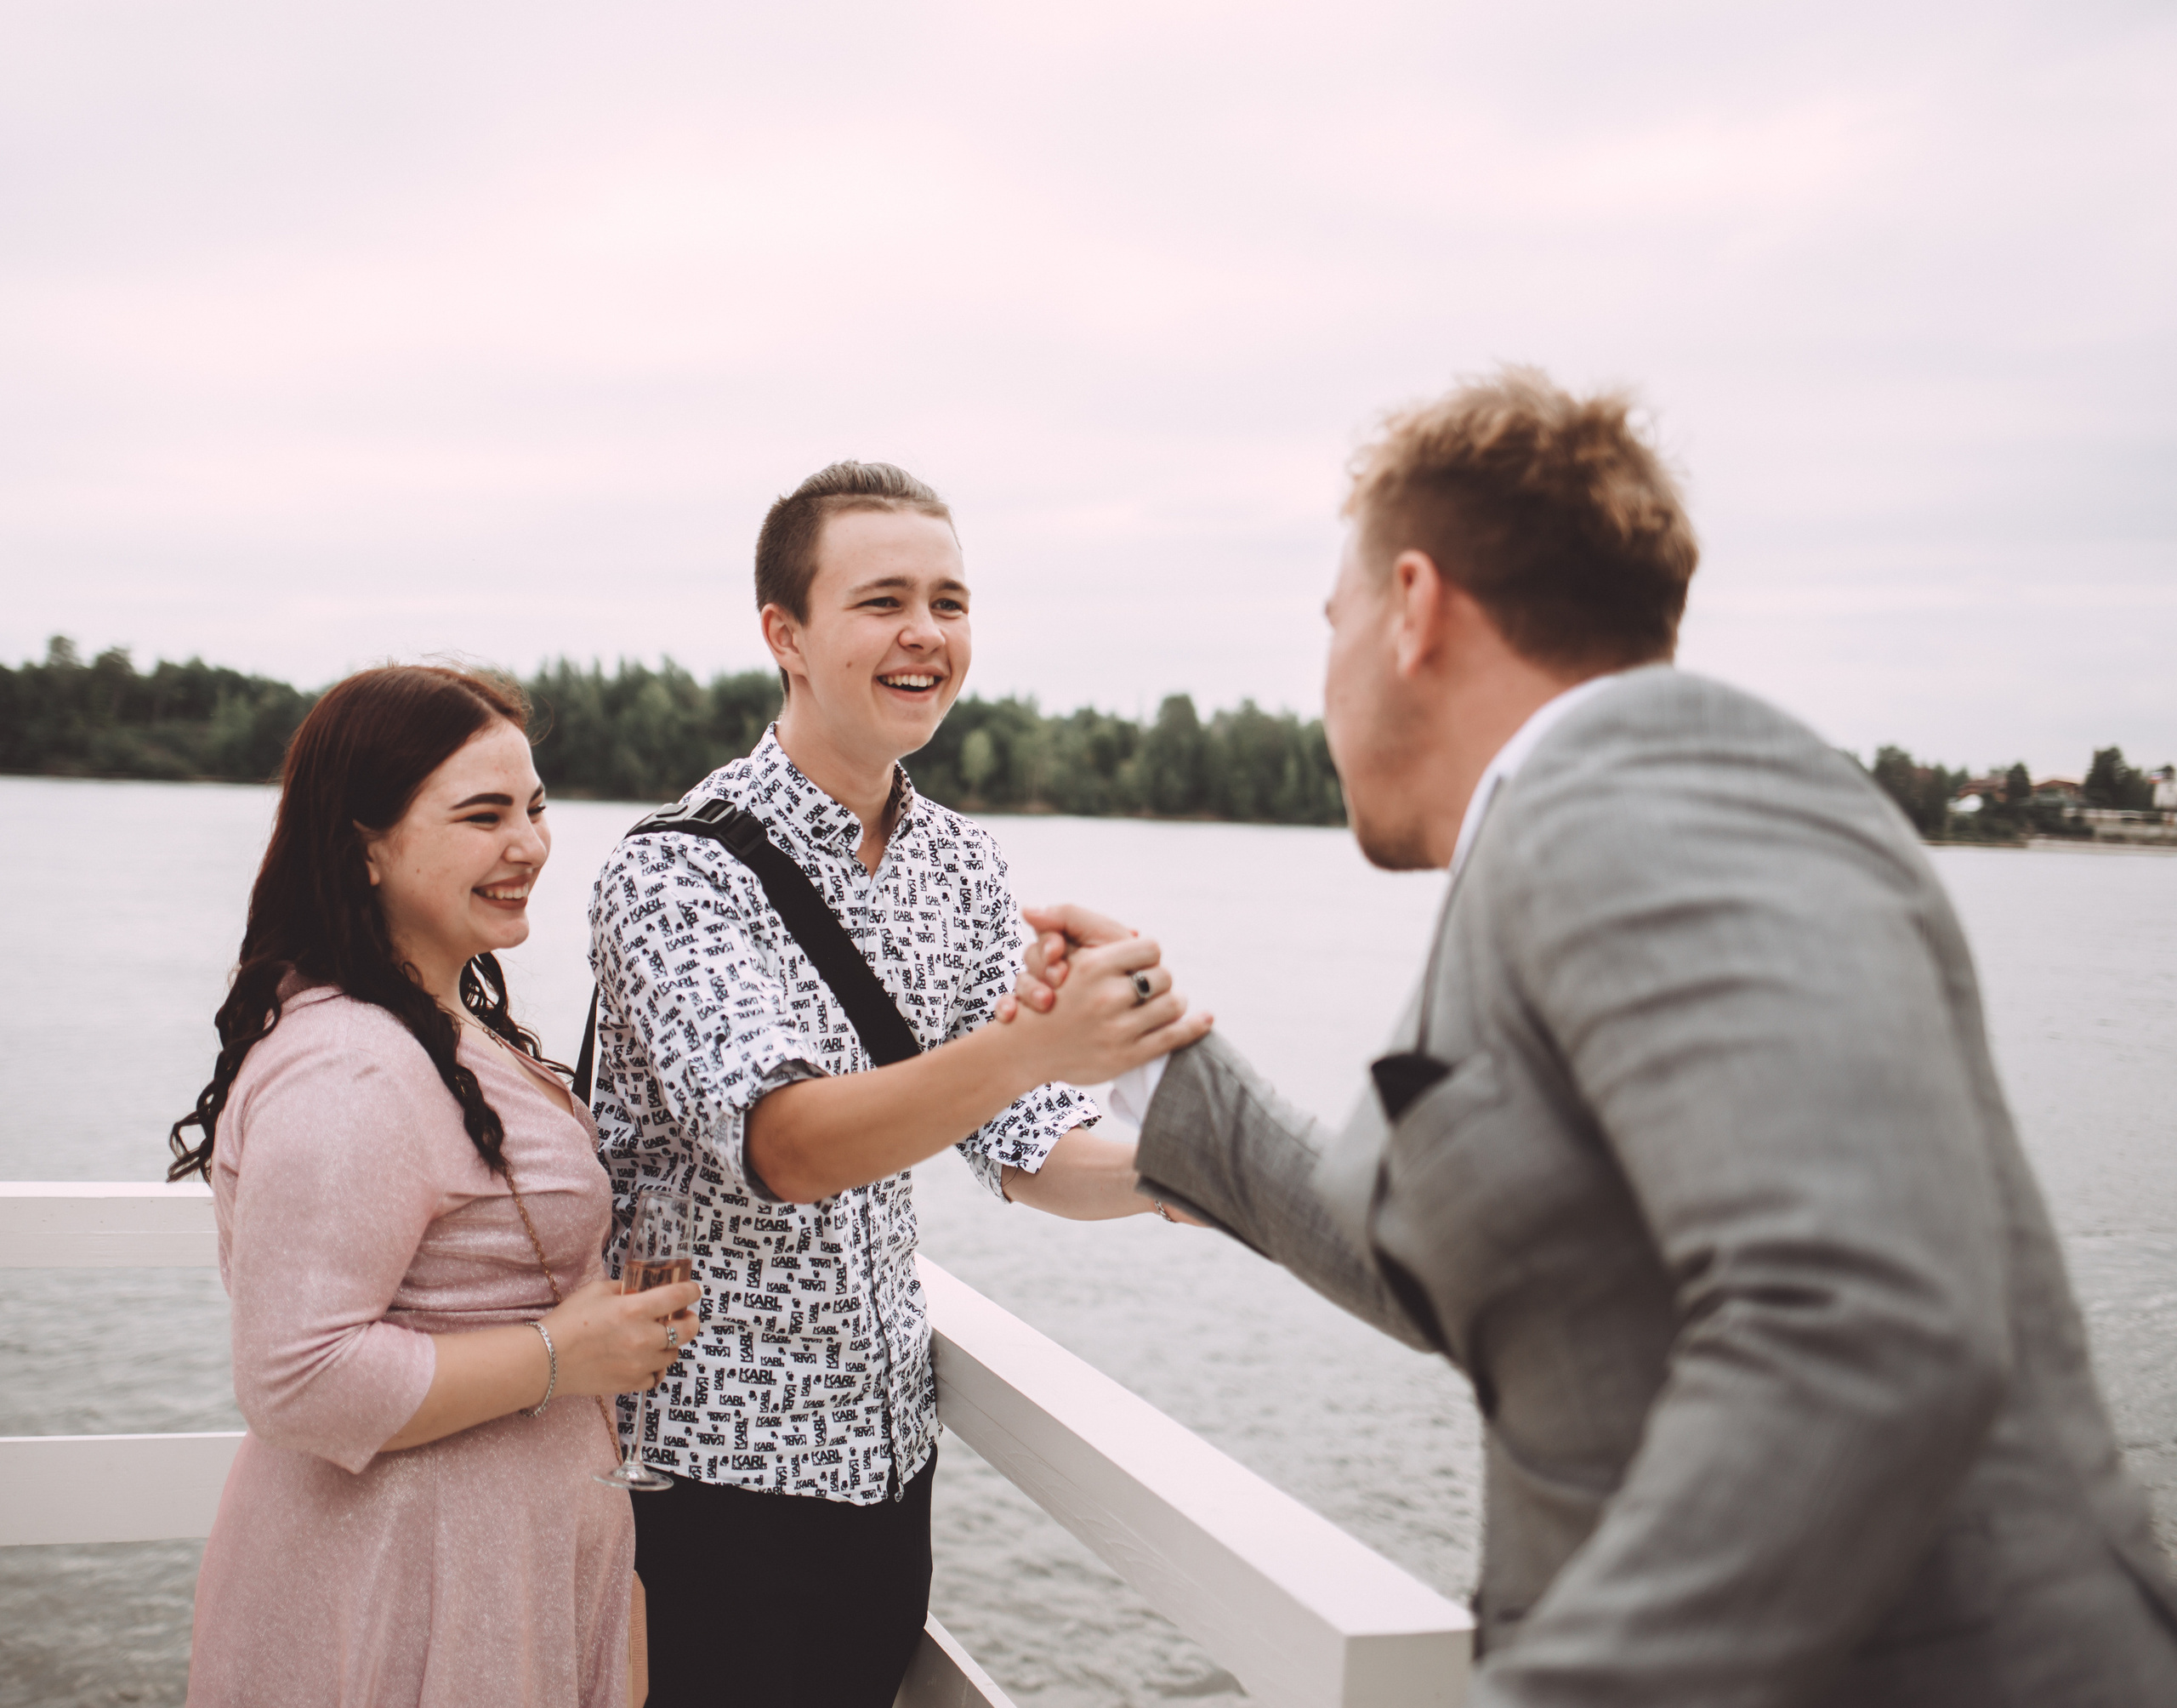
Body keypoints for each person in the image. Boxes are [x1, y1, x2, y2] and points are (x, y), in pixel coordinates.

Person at [1020, 371, 2177, 1705]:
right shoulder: (1580, 819)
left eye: (1327, 620)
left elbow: (1860, 1319)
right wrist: (1155, 1053)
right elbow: (1464, 1273)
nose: (1321, 679)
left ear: (1411, 607)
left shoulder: (1655, 798)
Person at [586, 460, 1212, 1707]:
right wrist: (1036, 1043)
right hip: (709, 1474)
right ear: (788, 635)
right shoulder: (670, 876)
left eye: (951, 600)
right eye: (881, 601)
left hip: (886, 1465)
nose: (926, 633)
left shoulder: (963, 866)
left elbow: (1028, 1143)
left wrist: (1186, 1174)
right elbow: (787, 1144)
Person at [174, 665, 702, 1708]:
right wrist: (562, 1353)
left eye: (536, 806)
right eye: (482, 814)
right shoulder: (353, 1065)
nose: (528, 844)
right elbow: (297, 1378)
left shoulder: (446, 1018)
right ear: (365, 841)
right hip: (407, 1585)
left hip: (486, 1565)